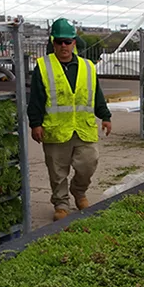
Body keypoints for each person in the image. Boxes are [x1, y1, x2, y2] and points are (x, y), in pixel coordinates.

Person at [28, 18, 112, 222]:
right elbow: (36, 98)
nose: (63, 46)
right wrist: (35, 124)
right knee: (57, 171)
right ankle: (61, 203)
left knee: (89, 163)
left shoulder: (88, 67)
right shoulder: (43, 66)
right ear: (53, 42)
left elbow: (96, 95)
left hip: (83, 129)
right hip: (56, 130)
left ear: (74, 42)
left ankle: (79, 191)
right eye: (59, 42)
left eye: (67, 41)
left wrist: (106, 116)